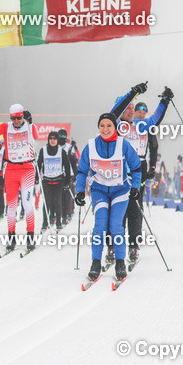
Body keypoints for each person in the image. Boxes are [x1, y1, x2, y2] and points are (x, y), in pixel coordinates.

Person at [75, 113, 142, 282]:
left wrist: (135, 187)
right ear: (98, 127)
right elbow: (82, 171)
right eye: (102, 126)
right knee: (100, 225)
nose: (105, 129)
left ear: (115, 127)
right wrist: (80, 191)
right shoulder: (91, 146)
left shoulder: (123, 145)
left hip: (120, 190)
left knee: (115, 225)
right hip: (99, 191)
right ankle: (95, 263)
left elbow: (136, 167)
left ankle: (120, 263)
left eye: (109, 126)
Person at [111, 85, 169, 262]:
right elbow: (115, 112)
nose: (130, 111)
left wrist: (164, 101)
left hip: (138, 169)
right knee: (117, 210)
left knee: (135, 208)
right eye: (127, 107)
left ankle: (134, 245)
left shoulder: (141, 125)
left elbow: (155, 119)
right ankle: (114, 246)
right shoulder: (117, 125)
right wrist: (132, 94)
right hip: (118, 171)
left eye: (131, 107)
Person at [0, 103, 40, 253]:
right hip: (10, 169)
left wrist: (31, 122)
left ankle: (30, 238)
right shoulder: (6, 127)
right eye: (13, 118)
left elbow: (36, 136)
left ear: (22, 115)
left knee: (27, 204)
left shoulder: (29, 126)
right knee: (11, 206)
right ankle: (11, 238)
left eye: (18, 118)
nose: (16, 121)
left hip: (27, 169)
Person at [37, 131, 71, 231]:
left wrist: (67, 180)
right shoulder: (43, 150)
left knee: (57, 202)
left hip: (58, 181)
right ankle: (45, 223)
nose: (52, 140)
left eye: (54, 139)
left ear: (57, 140)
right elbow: (39, 165)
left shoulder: (61, 151)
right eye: (51, 139)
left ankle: (58, 223)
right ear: (48, 140)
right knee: (47, 202)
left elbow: (67, 166)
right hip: (46, 180)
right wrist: (36, 177)